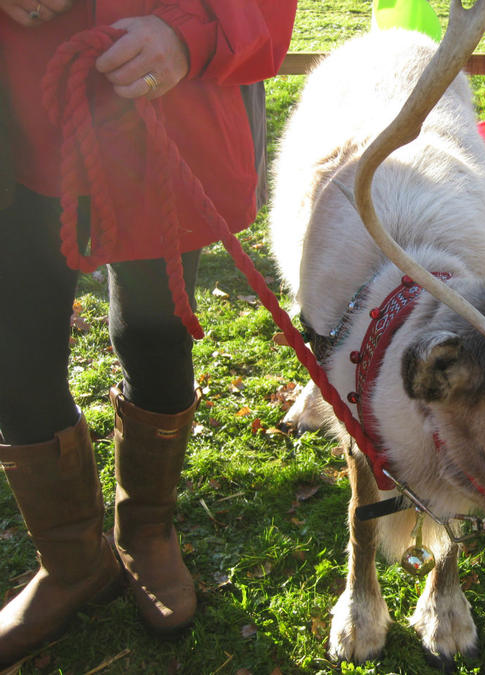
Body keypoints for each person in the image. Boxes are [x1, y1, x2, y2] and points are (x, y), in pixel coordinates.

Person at [0, 0, 297, 665]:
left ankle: (147, 528)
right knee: (14, 356)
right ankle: (72, 561)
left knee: (154, 333)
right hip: (14, 121)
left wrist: (189, 35)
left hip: (152, 108)